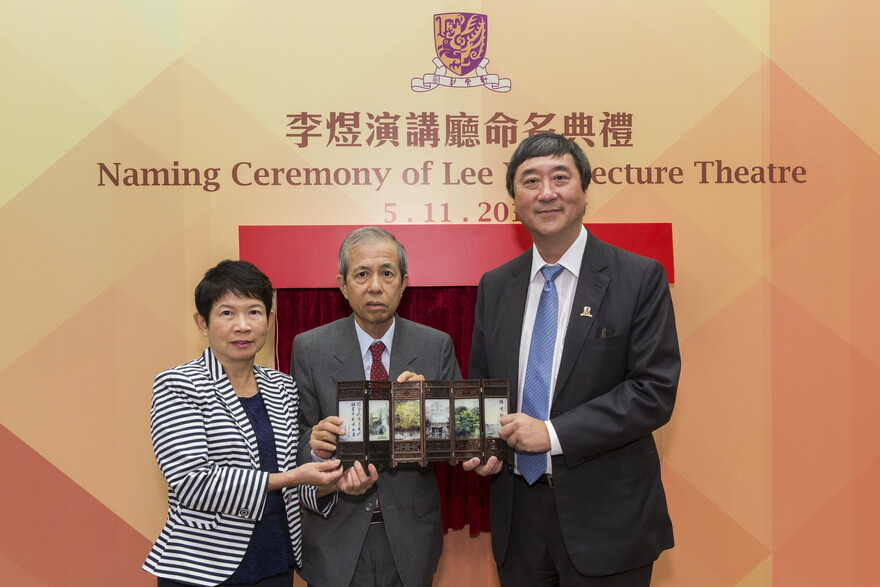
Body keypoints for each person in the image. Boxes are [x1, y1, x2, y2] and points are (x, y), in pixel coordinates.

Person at [464, 132, 680, 586]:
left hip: (609, 520)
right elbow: (483, 389)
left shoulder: (638, 277)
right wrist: (486, 446)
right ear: (513, 201)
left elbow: (652, 392)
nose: (546, 192)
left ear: (584, 191)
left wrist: (552, 433)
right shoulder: (495, 285)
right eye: (530, 181)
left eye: (560, 178)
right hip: (518, 519)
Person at [143, 260, 351, 587]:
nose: (242, 325)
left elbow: (296, 477)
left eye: (254, 312)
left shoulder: (282, 386)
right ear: (202, 322)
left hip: (274, 563)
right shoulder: (178, 385)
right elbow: (191, 481)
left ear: (269, 320)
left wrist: (329, 484)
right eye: (227, 313)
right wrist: (292, 476)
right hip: (202, 569)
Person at [291, 227, 462, 587]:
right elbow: (297, 435)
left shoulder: (436, 345)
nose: (374, 286)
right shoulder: (310, 348)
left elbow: (459, 442)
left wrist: (431, 407)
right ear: (342, 285)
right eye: (362, 274)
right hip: (334, 530)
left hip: (411, 533)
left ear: (403, 283)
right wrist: (314, 442)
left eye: (387, 273)